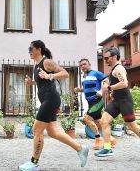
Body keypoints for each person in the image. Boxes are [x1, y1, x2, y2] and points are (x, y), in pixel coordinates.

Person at [19, 40, 89, 171]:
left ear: (38, 49)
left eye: (31, 48)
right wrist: (32, 82)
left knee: (37, 130)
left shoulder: (47, 62)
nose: (29, 51)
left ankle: (34, 163)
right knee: (53, 132)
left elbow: (65, 73)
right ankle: (80, 149)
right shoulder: (36, 66)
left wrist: (50, 75)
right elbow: (43, 81)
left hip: (51, 99)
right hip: (47, 99)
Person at [95, 47, 140, 157]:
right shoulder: (113, 69)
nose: (105, 60)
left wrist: (109, 88)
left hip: (125, 101)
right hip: (116, 102)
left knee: (132, 126)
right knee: (104, 121)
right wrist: (111, 91)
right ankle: (107, 148)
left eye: (107, 57)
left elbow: (124, 84)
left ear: (114, 57)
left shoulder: (119, 69)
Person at [75, 59, 116, 150]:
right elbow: (88, 88)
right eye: (81, 65)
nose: (83, 66)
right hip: (90, 102)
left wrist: (101, 91)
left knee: (87, 118)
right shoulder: (85, 77)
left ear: (89, 64)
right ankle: (111, 140)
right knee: (98, 122)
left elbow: (107, 81)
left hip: (97, 100)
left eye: (84, 64)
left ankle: (98, 139)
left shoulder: (96, 73)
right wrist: (79, 90)